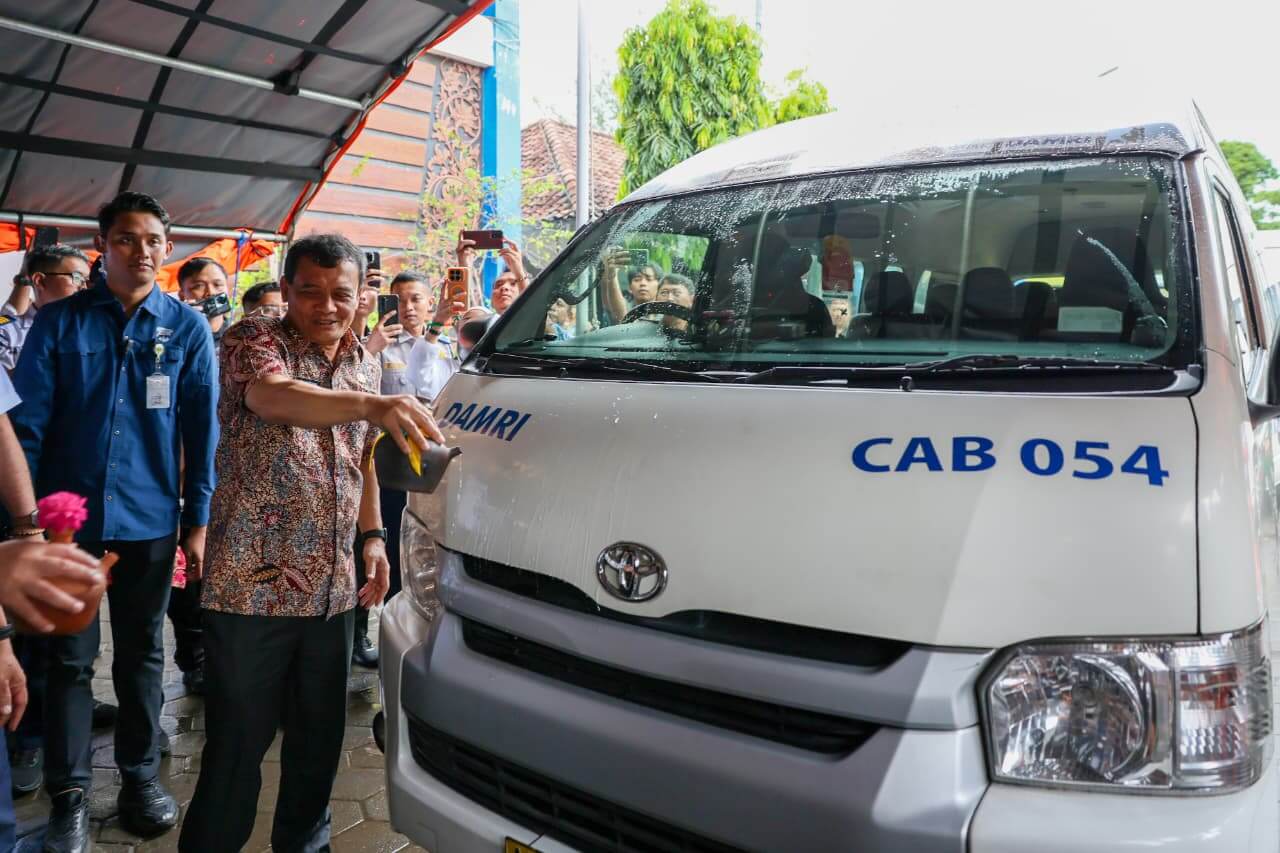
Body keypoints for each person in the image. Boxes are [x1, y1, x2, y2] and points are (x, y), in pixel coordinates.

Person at [180, 234, 443, 853]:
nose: (327, 306)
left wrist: (373, 539)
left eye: (341, 294)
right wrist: (374, 405)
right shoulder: (253, 338)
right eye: (310, 292)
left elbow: (363, 459)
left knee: (318, 746)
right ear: (288, 287)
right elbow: (274, 397)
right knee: (236, 749)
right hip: (251, 592)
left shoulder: (364, 360)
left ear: (361, 296)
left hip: (330, 591)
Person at [12, 191, 218, 851]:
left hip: (151, 520)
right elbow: (28, 428)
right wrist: (28, 528)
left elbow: (201, 429)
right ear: (104, 246)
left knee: (141, 654)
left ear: (168, 247)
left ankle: (139, 777)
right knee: (69, 659)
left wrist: (198, 518)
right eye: (128, 238)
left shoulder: (184, 329)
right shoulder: (60, 323)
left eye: (155, 239)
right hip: (67, 526)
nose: (143, 250)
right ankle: (69, 794)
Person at [351, 270, 431, 666]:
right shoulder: (377, 346)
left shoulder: (446, 346)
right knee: (375, 537)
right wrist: (370, 344)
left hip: (427, 460)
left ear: (431, 303)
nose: (407, 306)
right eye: (399, 299)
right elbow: (354, 391)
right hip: (382, 461)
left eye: (416, 298)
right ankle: (358, 632)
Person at [0, 245, 91, 372]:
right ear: (40, 281)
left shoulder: (92, 330)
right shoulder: (6, 332)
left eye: (86, 280)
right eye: (77, 278)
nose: (84, 288)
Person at [177, 257, 231, 350]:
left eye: (218, 285)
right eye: (198, 286)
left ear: (227, 289)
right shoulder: (172, 335)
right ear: (182, 295)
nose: (210, 292)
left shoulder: (239, 336)